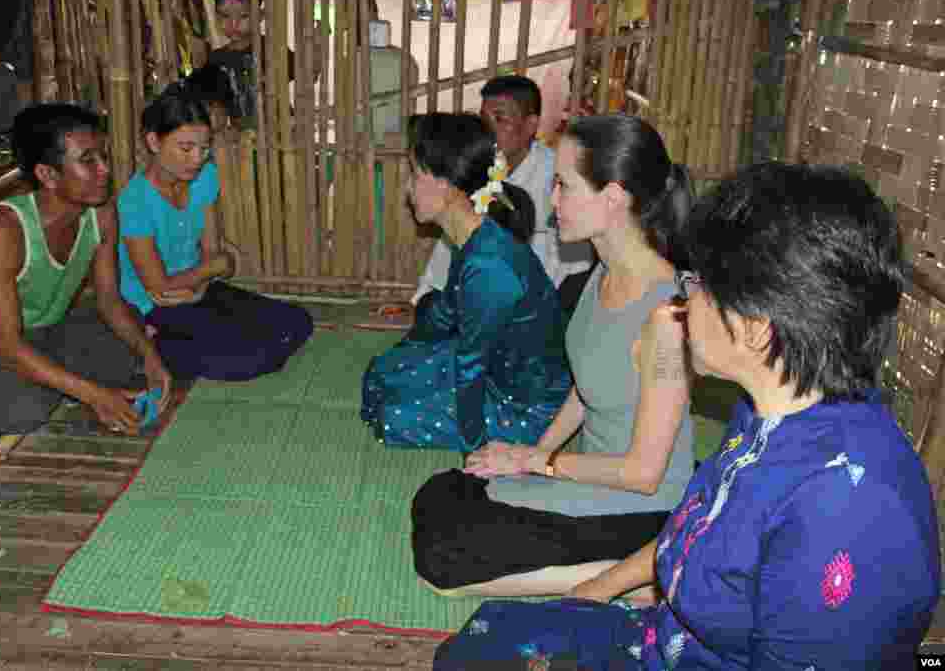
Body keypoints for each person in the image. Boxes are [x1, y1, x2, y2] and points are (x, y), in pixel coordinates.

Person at [432, 161, 941, 670]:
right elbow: (695, 526)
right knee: (491, 630)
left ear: (756, 327)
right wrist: (593, 591)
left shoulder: (845, 509)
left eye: (698, 284)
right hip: (667, 639)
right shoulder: (768, 416)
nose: (683, 298)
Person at [412, 114, 695, 597]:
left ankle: (642, 577)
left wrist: (538, 462)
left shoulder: (668, 315)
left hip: (644, 507)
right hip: (592, 478)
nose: (552, 200)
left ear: (612, 198)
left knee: (445, 558)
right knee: (442, 494)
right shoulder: (600, 273)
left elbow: (644, 475)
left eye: (563, 185)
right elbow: (584, 390)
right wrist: (530, 456)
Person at [0, 103, 172, 441]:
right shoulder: (4, 227)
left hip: (46, 329)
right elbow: (6, 343)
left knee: (126, 348)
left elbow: (109, 300)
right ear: (47, 175)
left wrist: (151, 358)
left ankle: (48, 379)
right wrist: (93, 394)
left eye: (104, 157)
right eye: (88, 160)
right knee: (25, 410)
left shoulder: (102, 213)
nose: (105, 170)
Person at [360, 112, 572, 452]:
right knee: (381, 374)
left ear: (445, 183)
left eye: (414, 175)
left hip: (524, 405)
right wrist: (406, 353)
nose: (407, 187)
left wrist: (477, 448)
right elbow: (444, 314)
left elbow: (471, 367)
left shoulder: (490, 266)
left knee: (391, 417)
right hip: (492, 369)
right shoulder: (475, 236)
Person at [117, 87, 313, 382]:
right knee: (248, 359)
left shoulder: (204, 177)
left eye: (205, 148)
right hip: (153, 306)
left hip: (199, 288)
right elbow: (159, 285)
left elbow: (212, 250)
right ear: (154, 141)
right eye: (185, 148)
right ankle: (148, 344)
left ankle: (185, 345)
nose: (197, 158)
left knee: (298, 321)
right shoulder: (135, 201)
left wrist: (205, 275)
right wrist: (212, 269)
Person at [411, 75, 593, 312]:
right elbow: (452, 245)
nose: (489, 129)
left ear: (530, 126)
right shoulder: (475, 171)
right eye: (484, 120)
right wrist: (425, 298)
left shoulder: (557, 180)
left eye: (500, 119)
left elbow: (575, 273)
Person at [207, 0, 318, 121]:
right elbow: (217, 107)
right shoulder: (216, 59)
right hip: (243, 136)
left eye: (243, 16)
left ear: (259, 16)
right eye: (225, 16)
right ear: (216, 16)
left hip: (281, 131)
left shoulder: (273, 49)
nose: (233, 24)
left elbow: (308, 76)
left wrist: (316, 46)